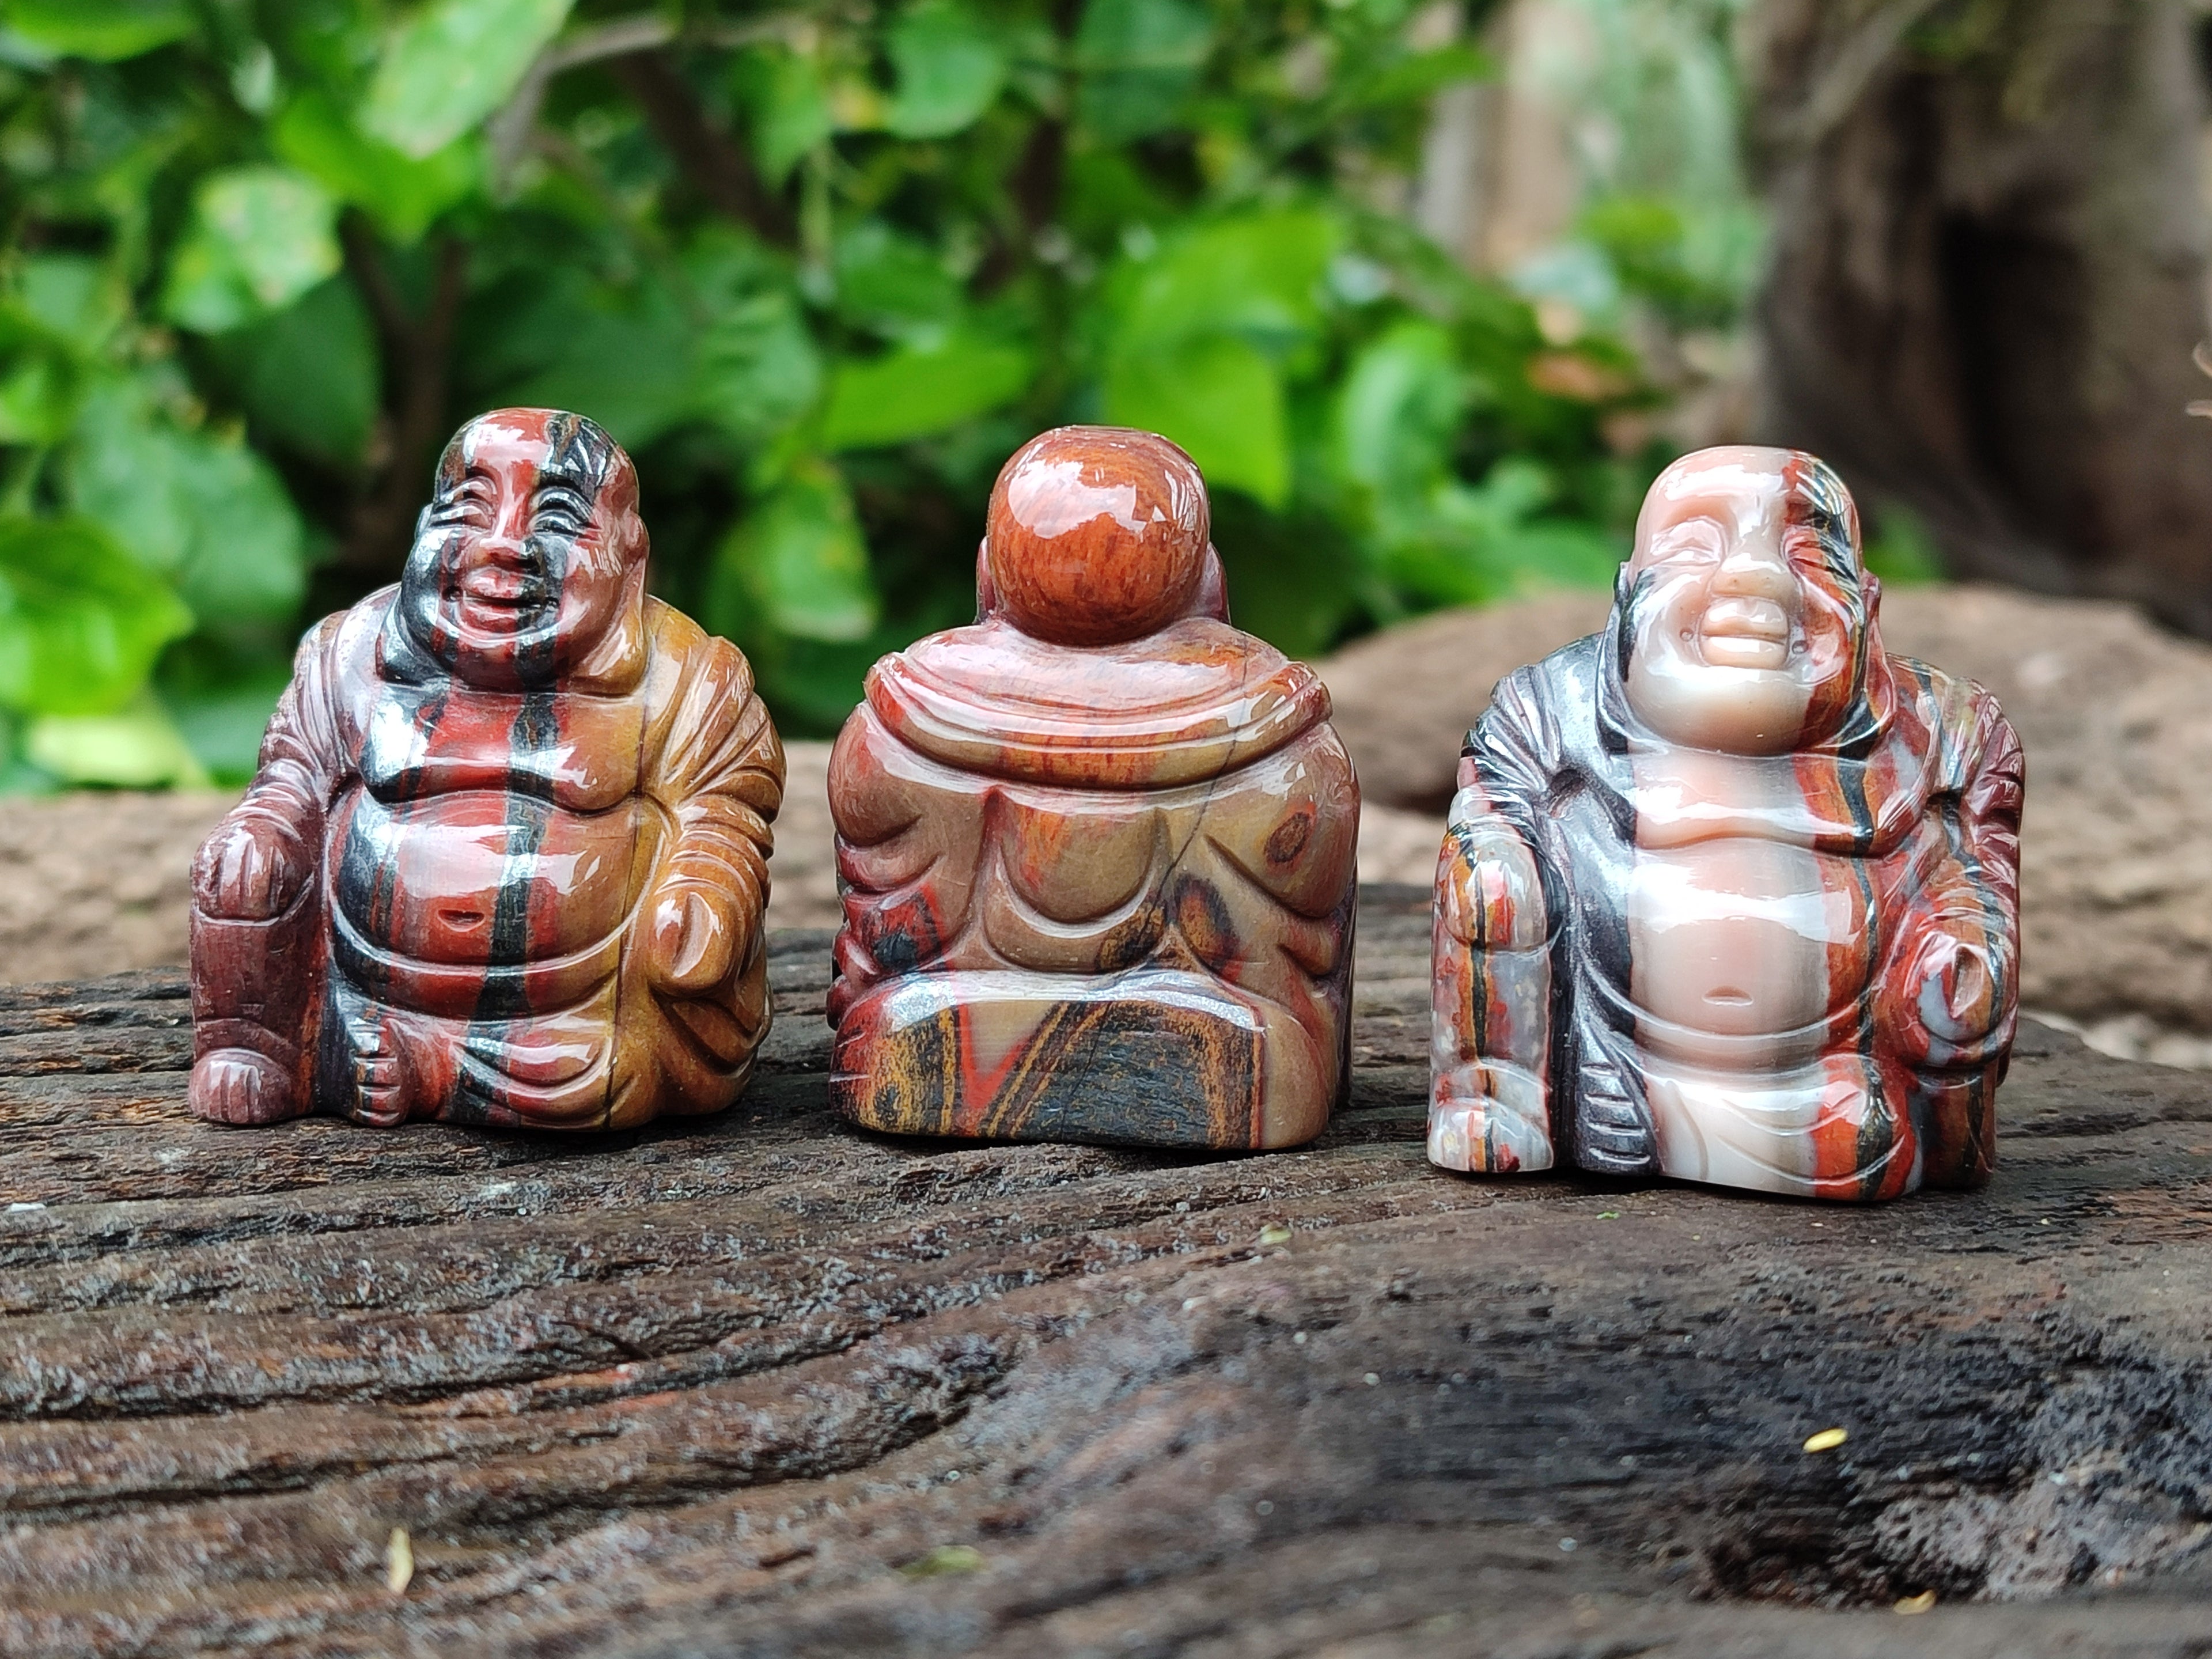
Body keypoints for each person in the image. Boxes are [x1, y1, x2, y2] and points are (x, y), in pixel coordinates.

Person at [1430, 446, 2022, 1199]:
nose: (1757, 576)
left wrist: (1965, 934)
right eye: (1696, 543)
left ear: (1866, 603)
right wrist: (1493, 870)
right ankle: (1508, 1096)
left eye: (1809, 552)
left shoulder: (1938, 726)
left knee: (1863, 1138)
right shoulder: (1556, 704)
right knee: (1488, 888)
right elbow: (1494, 792)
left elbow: (1983, 834)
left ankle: (1689, 1122)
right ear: (1629, 594)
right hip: (1606, 1041)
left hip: (1831, 1064)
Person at [188, 408, 784, 1130]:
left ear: (630, 560)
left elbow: (725, 805)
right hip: (368, 981)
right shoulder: (348, 655)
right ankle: (260, 1043)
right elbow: (293, 774)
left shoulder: (688, 676)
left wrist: (704, 890)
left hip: (580, 1016)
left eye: (559, 519)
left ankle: (420, 1063)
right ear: (422, 531)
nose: (505, 545)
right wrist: (266, 825)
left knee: (597, 1082)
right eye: (468, 510)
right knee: (246, 861)